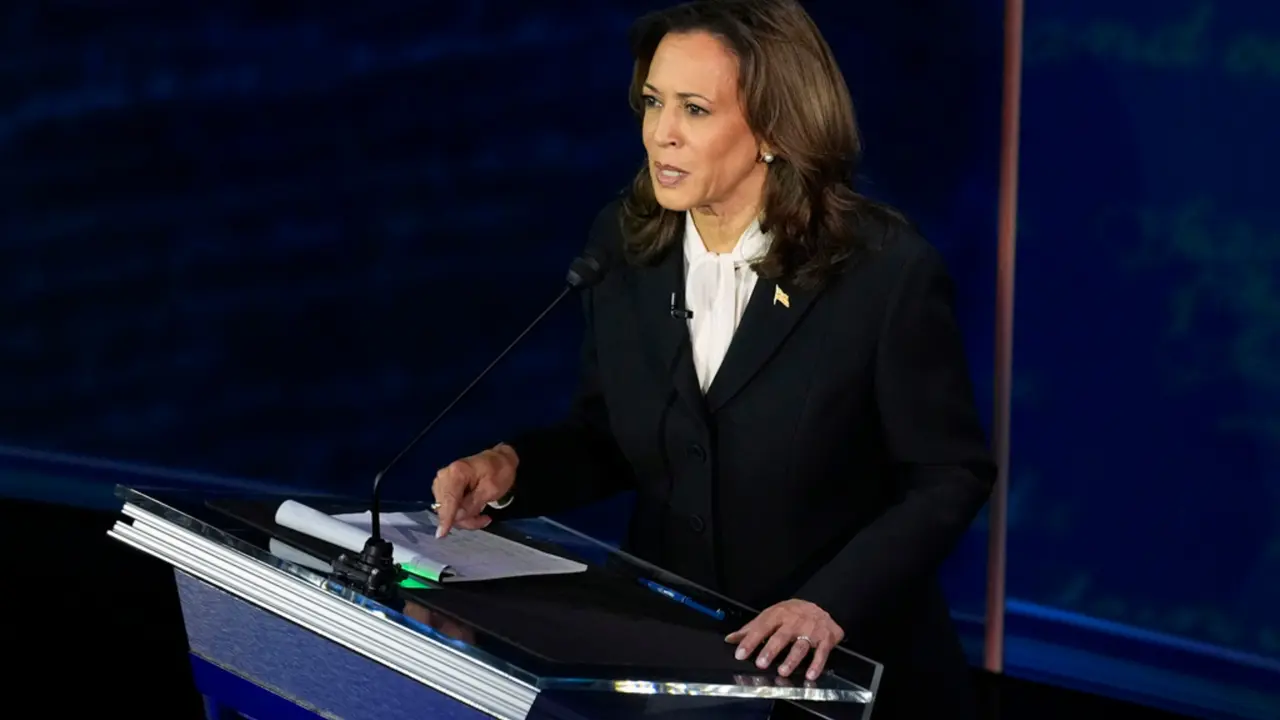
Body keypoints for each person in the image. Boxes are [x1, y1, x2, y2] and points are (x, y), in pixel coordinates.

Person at [431, 0, 996, 716]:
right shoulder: (626, 244)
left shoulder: (882, 271)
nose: (660, 133)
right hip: (677, 665)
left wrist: (828, 603)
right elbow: (611, 435)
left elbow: (948, 475)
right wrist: (512, 470)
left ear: (775, 130)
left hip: (842, 675)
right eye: (653, 102)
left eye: (694, 110)